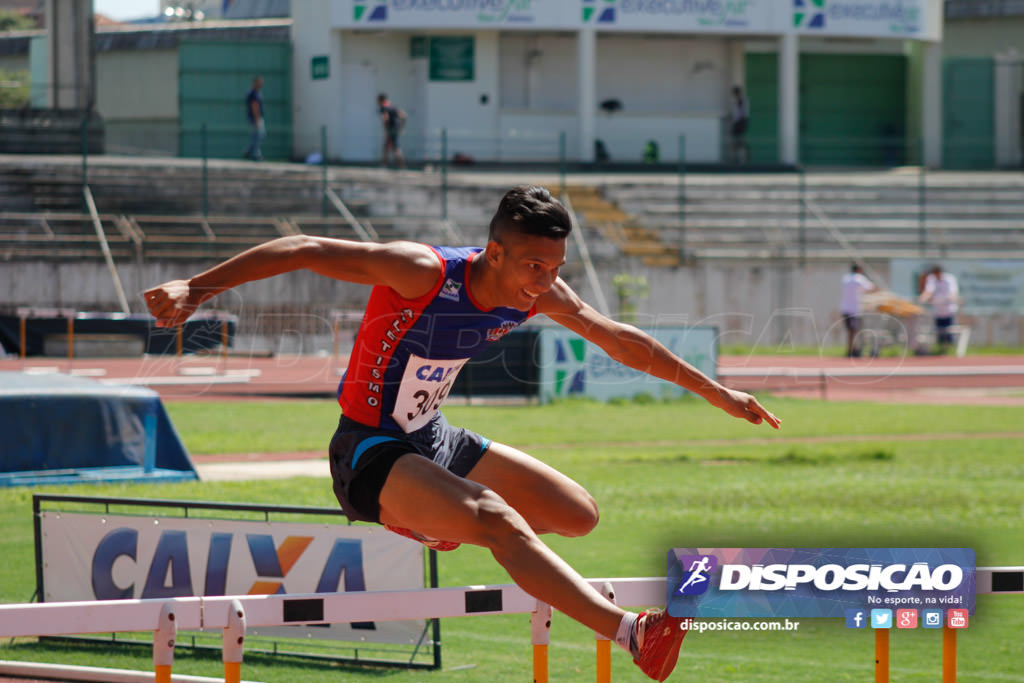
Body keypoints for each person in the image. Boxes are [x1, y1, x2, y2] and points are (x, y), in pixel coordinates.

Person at [144, 185, 780, 681]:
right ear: (494, 252)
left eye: (556, 265)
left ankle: (433, 518)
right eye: (534, 264)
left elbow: (620, 340)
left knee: (577, 513)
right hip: (368, 448)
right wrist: (196, 288)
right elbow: (304, 247)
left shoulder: (538, 292)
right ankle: (633, 634)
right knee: (500, 521)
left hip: (436, 437)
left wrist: (715, 391)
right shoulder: (421, 271)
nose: (546, 279)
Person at [918, 264, 960, 352]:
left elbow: (953, 292)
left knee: (949, 330)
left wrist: (953, 298)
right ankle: (941, 348)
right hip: (937, 310)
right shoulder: (931, 279)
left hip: (949, 310)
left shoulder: (949, 279)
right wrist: (922, 298)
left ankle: (949, 348)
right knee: (939, 330)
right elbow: (928, 291)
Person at [839, 263, 877, 358]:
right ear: (859, 270)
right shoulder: (859, 278)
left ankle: (851, 349)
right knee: (854, 330)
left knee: (850, 331)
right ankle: (853, 350)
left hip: (845, 308)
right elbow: (871, 288)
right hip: (854, 309)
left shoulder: (846, 278)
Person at [377, 93, 406, 168]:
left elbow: (385, 118)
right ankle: (400, 165)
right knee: (390, 146)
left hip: (390, 129)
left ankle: (386, 165)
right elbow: (404, 115)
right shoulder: (393, 106)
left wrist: (386, 130)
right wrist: (402, 128)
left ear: (380, 100)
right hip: (396, 128)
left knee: (394, 148)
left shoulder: (383, 107)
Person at [243, 76, 265, 161]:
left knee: (258, 135)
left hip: (257, 117)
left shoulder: (257, 92)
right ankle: (256, 154)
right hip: (255, 118)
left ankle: (248, 151)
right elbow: (254, 106)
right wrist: (257, 119)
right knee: (258, 135)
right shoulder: (253, 93)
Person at [729, 86, 749, 164]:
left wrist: (739, 121)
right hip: (739, 121)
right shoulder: (739, 99)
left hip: (740, 122)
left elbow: (740, 112)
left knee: (739, 139)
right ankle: (737, 156)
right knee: (737, 139)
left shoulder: (741, 99)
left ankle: (741, 157)